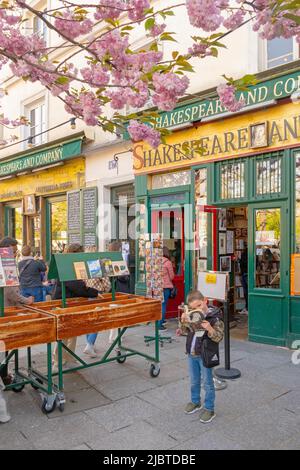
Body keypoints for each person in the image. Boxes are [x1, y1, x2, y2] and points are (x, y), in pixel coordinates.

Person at [52, 243, 99, 370]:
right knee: (65, 333)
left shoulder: (69, 263)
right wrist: (94, 292)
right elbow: (77, 287)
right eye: (80, 253)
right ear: (75, 253)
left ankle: (69, 358)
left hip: (70, 301)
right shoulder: (66, 264)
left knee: (72, 332)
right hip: (63, 302)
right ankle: (58, 360)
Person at [181, 290, 224, 424]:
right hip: (192, 352)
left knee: (207, 383)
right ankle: (195, 402)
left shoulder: (215, 317)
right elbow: (185, 332)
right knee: (194, 380)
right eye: (193, 308)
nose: (197, 310)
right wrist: (183, 322)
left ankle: (209, 408)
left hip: (205, 354)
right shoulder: (192, 315)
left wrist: (210, 329)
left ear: (205, 300)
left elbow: (219, 337)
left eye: (199, 306)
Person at [0, 237, 34, 386]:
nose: (15, 254)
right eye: (13, 251)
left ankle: (5, 375)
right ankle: (4, 376)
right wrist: (28, 301)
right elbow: (10, 293)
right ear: (6, 249)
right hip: (6, 310)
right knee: (4, 346)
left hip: (5, 308)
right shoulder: (6, 263)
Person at [83, 246, 111, 358]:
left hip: (85, 296)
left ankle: (90, 344)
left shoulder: (84, 265)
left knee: (88, 321)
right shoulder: (99, 265)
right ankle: (89, 345)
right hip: (97, 296)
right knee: (97, 321)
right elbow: (107, 285)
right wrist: (104, 289)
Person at [160, 247, 175, 331]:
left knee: (159, 305)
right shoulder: (168, 262)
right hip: (165, 287)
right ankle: (160, 325)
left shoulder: (156, 261)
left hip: (157, 287)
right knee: (163, 305)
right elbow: (172, 276)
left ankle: (160, 321)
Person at [240, 244, 248, 313]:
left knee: (246, 292)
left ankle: (247, 307)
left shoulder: (244, 254)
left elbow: (242, 264)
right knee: (248, 292)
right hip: (248, 274)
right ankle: (247, 307)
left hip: (244, 274)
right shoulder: (254, 254)